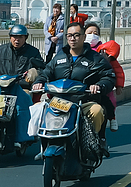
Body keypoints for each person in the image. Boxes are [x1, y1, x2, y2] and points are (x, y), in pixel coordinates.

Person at [42, 25, 116, 160]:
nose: (73, 39)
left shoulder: (95, 58)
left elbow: (109, 76)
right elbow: (46, 72)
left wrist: (99, 85)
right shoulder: (59, 56)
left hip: (84, 101)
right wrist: (38, 82)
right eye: (69, 35)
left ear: (83, 37)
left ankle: (91, 143)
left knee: (97, 111)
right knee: (37, 109)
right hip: (59, 102)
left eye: (76, 35)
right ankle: (43, 146)